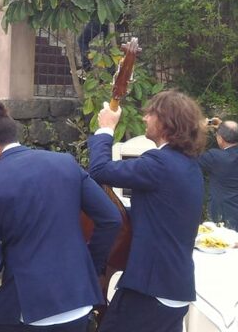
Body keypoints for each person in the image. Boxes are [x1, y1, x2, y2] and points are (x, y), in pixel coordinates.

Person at [0, 100, 121, 332]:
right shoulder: (65, 163)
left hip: (29, 307)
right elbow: (111, 218)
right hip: (78, 298)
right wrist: (91, 264)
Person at [87, 90, 206, 332]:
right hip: (174, 286)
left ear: (166, 122)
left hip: (150, 288)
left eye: (151, 113)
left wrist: (106, 128)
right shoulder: (189, 165)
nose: (145, 118)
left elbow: (99, 170)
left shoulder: (159, 163)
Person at [198, 120, 238, 236]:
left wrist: (200, 131)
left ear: (220, 138)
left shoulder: (214, 157)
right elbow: (234, 135)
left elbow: (194, 156)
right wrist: (223, 126)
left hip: (223, 218)